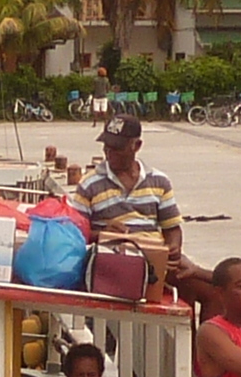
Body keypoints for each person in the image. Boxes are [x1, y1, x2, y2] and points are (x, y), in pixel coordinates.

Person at [79, 112, 185, 287]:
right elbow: (75, 234)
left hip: (154, 259)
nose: (109, 153)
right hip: (113, 261)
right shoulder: (89, 184)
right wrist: (104, 234)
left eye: (117, 148)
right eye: (106, 146)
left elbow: (172, 227)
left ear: (136, 146)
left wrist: (172, 249)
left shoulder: (159, 181)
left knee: (206, 286)